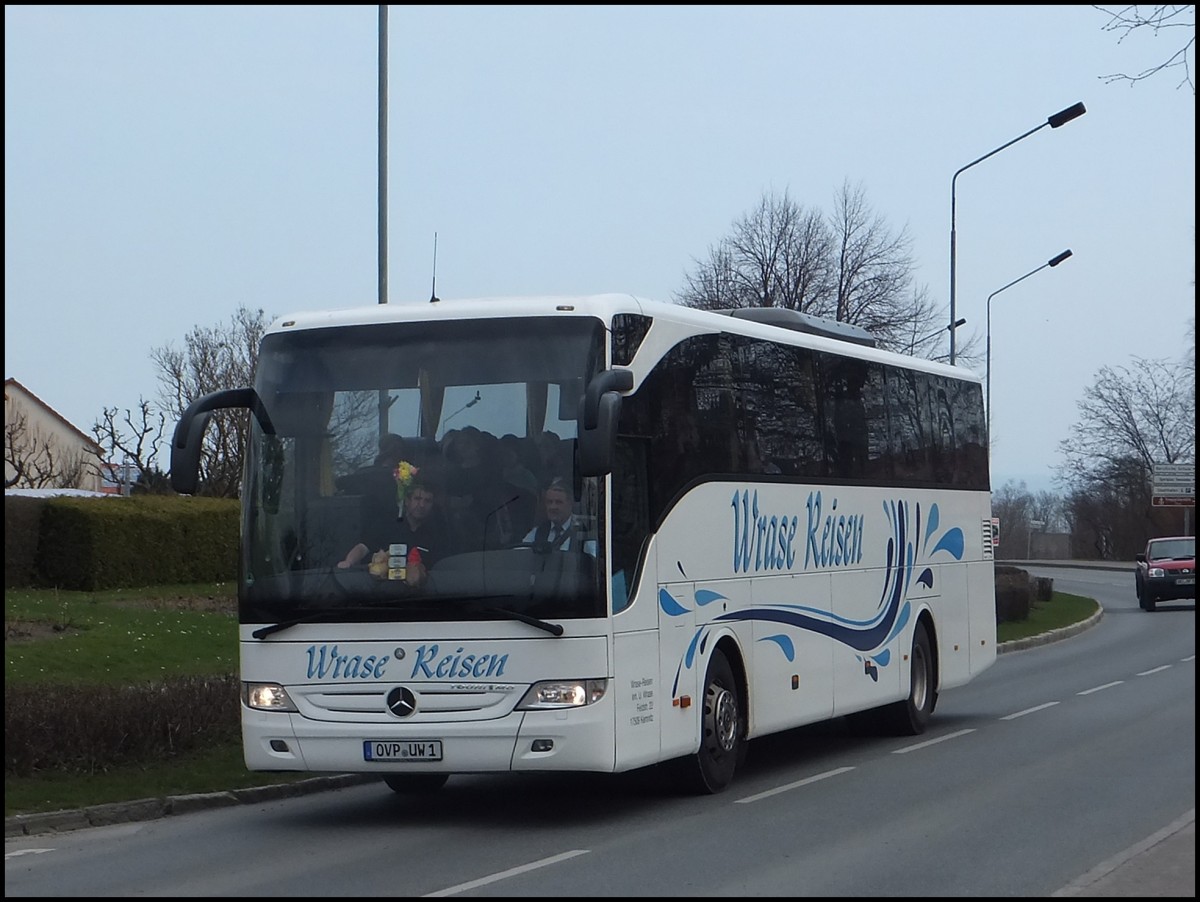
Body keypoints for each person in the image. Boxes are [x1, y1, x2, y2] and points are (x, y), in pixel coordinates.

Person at [337, 473, 451, 586]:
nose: (421, 505)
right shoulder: (387, 524)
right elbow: (363, 547)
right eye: (417, 498)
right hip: (386, 592)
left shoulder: (438, 531)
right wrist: (348, 561)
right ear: (407, 501)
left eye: (427, 501)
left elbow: (444, 567)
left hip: (428, 594)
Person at [522, 475, 597, 556]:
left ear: (570, 504)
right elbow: (521, 555)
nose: (552, 507)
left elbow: (593, 560)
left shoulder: (584, 532)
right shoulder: (537, 533)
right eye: (549, 502)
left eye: (558, 502)